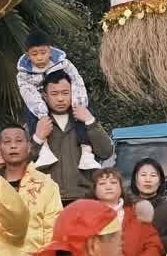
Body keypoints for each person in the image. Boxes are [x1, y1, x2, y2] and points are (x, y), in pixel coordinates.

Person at [34, 70, 114, 204]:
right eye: (54, 94)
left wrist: (89, 121)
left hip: (84, 198)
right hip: (48, 201)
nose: (60, 98)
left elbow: (106, 152)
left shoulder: (84, 119)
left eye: (65, 93)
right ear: (45, 97)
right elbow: (22, 162)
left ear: (73, 93)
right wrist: (38, 138)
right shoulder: (36, 123)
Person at [0, 125, 63, 256]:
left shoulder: (46, 185)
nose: (13, 146)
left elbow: (53, 229)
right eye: (7, 142)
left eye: (19, 141)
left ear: (29, 146)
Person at [92, 168, 162, 256]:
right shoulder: (85, 216)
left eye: (114, 182)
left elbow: (154, 246)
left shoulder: (137, 216)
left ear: (121, 188)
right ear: (94, 190)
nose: (108, 186)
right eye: (102, 183)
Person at [15, 30, 90, 124]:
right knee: (31, 116)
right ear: (28, 55)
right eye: (34, 54)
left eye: (43, 53)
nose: (39, 57)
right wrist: (42, 113)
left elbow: (77, 82)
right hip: (39, 104)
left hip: (64, 100)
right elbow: (28, 93)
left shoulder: (63, 64)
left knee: (83, 113)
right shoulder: (23, 74)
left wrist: (79, 103)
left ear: (50, 51)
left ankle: (83, 135)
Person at [131, 158, 167, 250]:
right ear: (135, 180)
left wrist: (147, 242)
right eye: (143, 175)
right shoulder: (125, 208)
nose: (148, 180)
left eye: (153, 175)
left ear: (160, 181)